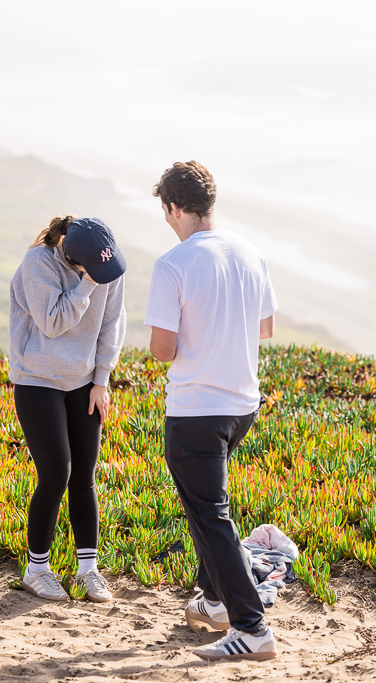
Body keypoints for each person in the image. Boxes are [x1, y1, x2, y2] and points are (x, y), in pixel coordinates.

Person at [145, 161, 279, 661]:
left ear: (174, 208)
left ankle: (251, 628)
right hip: (242, 405)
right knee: (207, 509)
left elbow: (162, 350)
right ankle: (214, 601)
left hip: (196, 409)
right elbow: (264, 330)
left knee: (210, 515)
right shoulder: (249, 251)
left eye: (165, 211)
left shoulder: (173, 264)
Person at [8, 215, 127, 602]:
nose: (104, 275)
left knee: (84, 476)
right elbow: (53, 323)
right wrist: (87, 283)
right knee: (56, 473)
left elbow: (112, 323)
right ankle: (36, 570)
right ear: (73, 257)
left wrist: (102, 380)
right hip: (37, 379)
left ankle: (88, 569)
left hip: (84, 381)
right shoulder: (38, 263)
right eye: (95, 270)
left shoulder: (106, 265)